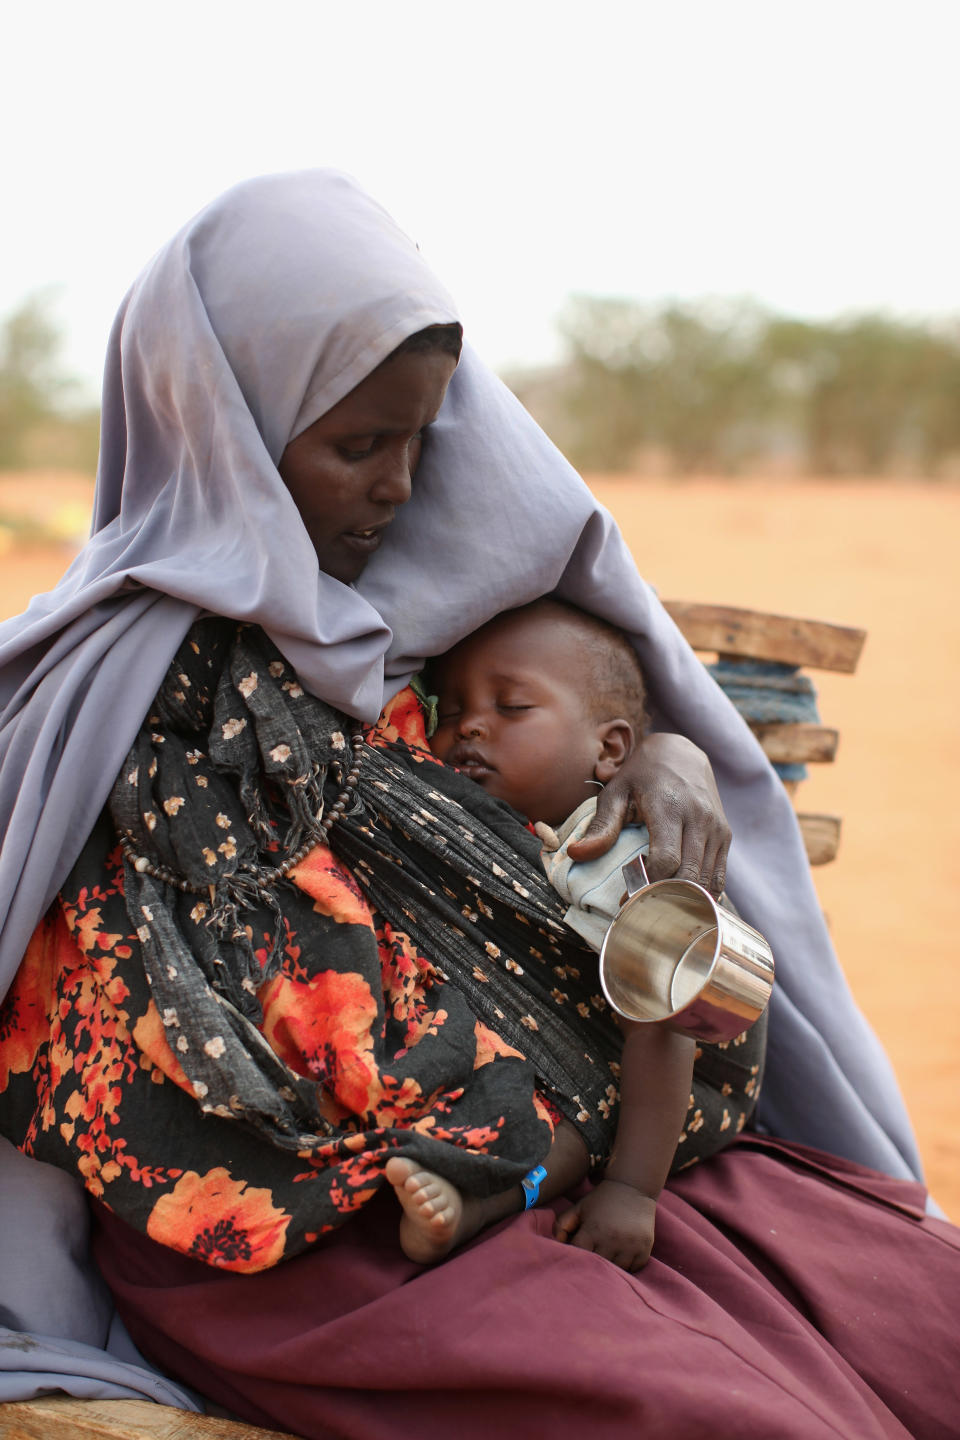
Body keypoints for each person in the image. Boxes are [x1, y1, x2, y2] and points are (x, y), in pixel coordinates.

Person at [0, 171, 957, 1440]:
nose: (399, 487)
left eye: (421, 442)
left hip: (601, 1138)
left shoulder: (425, 615)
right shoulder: (103, 698)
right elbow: (149, 1035)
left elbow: (575, 729)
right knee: (734, 1417)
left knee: (921, 1327)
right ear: (221, 423)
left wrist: (659, 759)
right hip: (313, 1237)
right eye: (356, 446)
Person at [421, 595, 764, 1272]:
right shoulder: (500, 832)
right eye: (451, 711)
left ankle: (479, 1207)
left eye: (511, 707)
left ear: (610, 750)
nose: (470, 729)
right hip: (602, 1036)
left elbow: (661, 1027)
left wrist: (634, 1191)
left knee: (575, 1116)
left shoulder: (620, 856)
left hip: (689, 1065)